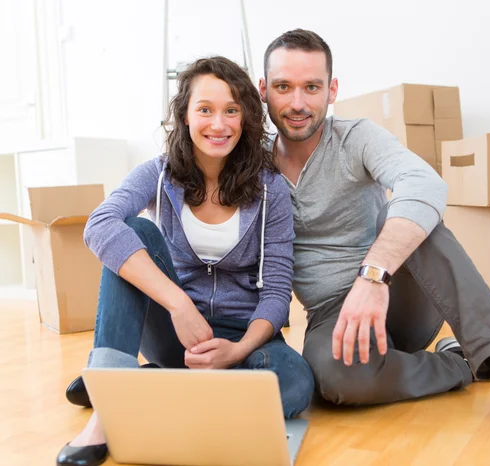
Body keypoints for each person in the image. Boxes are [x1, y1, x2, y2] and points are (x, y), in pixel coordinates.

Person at [258, 28, 490, 459]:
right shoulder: (253, 164)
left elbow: (425, 183)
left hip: (398, 294)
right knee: (333, 382)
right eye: (284, 87)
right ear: (264, 90)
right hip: (332, 315)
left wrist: (373, 275)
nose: (299, 103)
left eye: (312, 87)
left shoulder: (355, 137)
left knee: (412, 217)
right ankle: (470, 361)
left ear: (332, 90)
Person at [57, 56, 314, 466]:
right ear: (185, 115)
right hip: (174, 330)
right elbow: (99, 225)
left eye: (232, 110)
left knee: (296, 385)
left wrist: (236, 350)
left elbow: (279, 287)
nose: (219, 124)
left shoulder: (271, 189)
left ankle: (144, 386)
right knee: (134, 232)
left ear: (246, 116)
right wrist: (177, 303)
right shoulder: (157, 173)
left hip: (242, 337)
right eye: (206, 110)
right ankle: (107, 414)